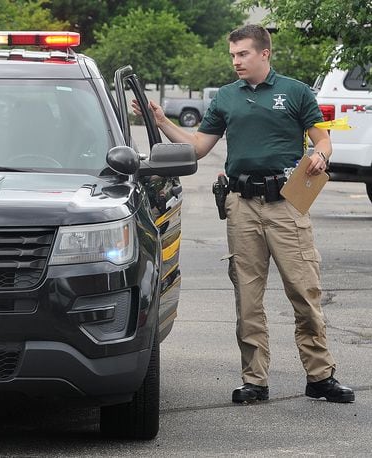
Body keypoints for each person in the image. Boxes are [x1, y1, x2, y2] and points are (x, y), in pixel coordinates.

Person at [133, 24, 354, 404]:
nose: (236, 61)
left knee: (304, 291)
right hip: (241, 205)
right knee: (248, 296)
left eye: (243, 54)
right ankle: (255, 380)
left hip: (285, 203)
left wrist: (320, 154)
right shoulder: (225, 98)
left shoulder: (295, 92)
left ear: (264, 53)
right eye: (233, 55)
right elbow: (198, 147)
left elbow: (323, 137)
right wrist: (161, 122)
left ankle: (320, 377)